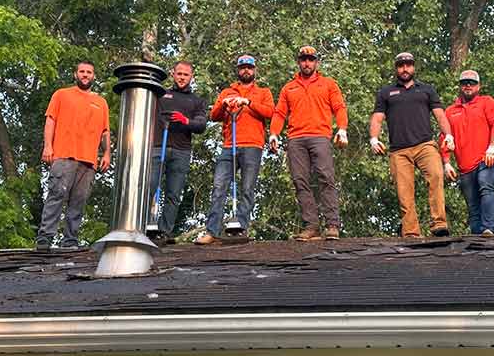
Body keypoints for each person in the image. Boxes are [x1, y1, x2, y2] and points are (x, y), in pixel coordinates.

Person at [369, 52, 454, 239]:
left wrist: (448, 135)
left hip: (425, 145)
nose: (405, 69)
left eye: (408, 65)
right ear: (396, 69)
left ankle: (439, 224)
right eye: (401, 65)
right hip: (399, 150)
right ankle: (411, 232)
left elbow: (440, 115)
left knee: (436, 175)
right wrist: (374, 138)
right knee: (404, 191)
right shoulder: (386, 92)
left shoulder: (426, 90)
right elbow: (377, 118)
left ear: (414, 67)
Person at [269, 46, 348, 241]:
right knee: (300, 180)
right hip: (296, 138)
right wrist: (273, 134)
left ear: (316, 63)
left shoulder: (328, 84)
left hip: (320, 136)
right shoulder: (289, 87)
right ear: (299, 62)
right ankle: (311, 226)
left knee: (326, 177)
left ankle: (332, 225)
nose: (307, 63)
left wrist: (342, 129)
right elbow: (280, 113)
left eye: (311, 59)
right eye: (304, 59)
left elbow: (339, 107)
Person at [196, 55, 274, 245]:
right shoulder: (227, 91)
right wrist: (223, 104)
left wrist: (248, 102)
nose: (246, 70)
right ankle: (212, 231)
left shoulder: (263, 92)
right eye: (242, 68)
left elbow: (270, 113)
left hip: (253, 145)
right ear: (238, 71)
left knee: (247, 188)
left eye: (249, 67)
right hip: (229, 145)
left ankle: (240, 227)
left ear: (254, 70)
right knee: (218, 186)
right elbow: (214, 116)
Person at [36, 60, 110, 250]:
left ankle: (70, 240)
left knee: (78, 201)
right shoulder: (62, 95)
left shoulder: (100, 102)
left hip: (89, 161)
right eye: (82, 71)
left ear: (94, 76)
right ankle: (45, 237)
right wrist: (47, 147)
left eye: (89, 72)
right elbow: (50, 120)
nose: (85, 75)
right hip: (63, 155)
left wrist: (107, 153)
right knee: (56, 195)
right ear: (75, 74)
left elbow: (105, 131)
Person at [148, 61, 207, 242]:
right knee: (150, 188)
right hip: (158, 147)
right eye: (179, 74)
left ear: (191, 77)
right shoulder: (161, 95)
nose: (182, 77)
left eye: (186, 75)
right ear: (173, 74)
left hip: (181, 151)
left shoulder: (196, 101)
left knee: (173, 193)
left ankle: (165, 232)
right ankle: (144, 226)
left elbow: (201, 125)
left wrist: (185, 121)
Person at [441, 70, 494, 235]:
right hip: (466, 166)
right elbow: (445, 137)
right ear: (460, 86)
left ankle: (489, 228)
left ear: (479, 86)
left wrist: (492, 146)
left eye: (472, 82)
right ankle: (477, 237)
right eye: (464, 83)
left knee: (485, 182)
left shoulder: (487, 102)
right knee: (472, 204)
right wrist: (446, 162)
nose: (468, 85)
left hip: (490, 157)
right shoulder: (450, 111)